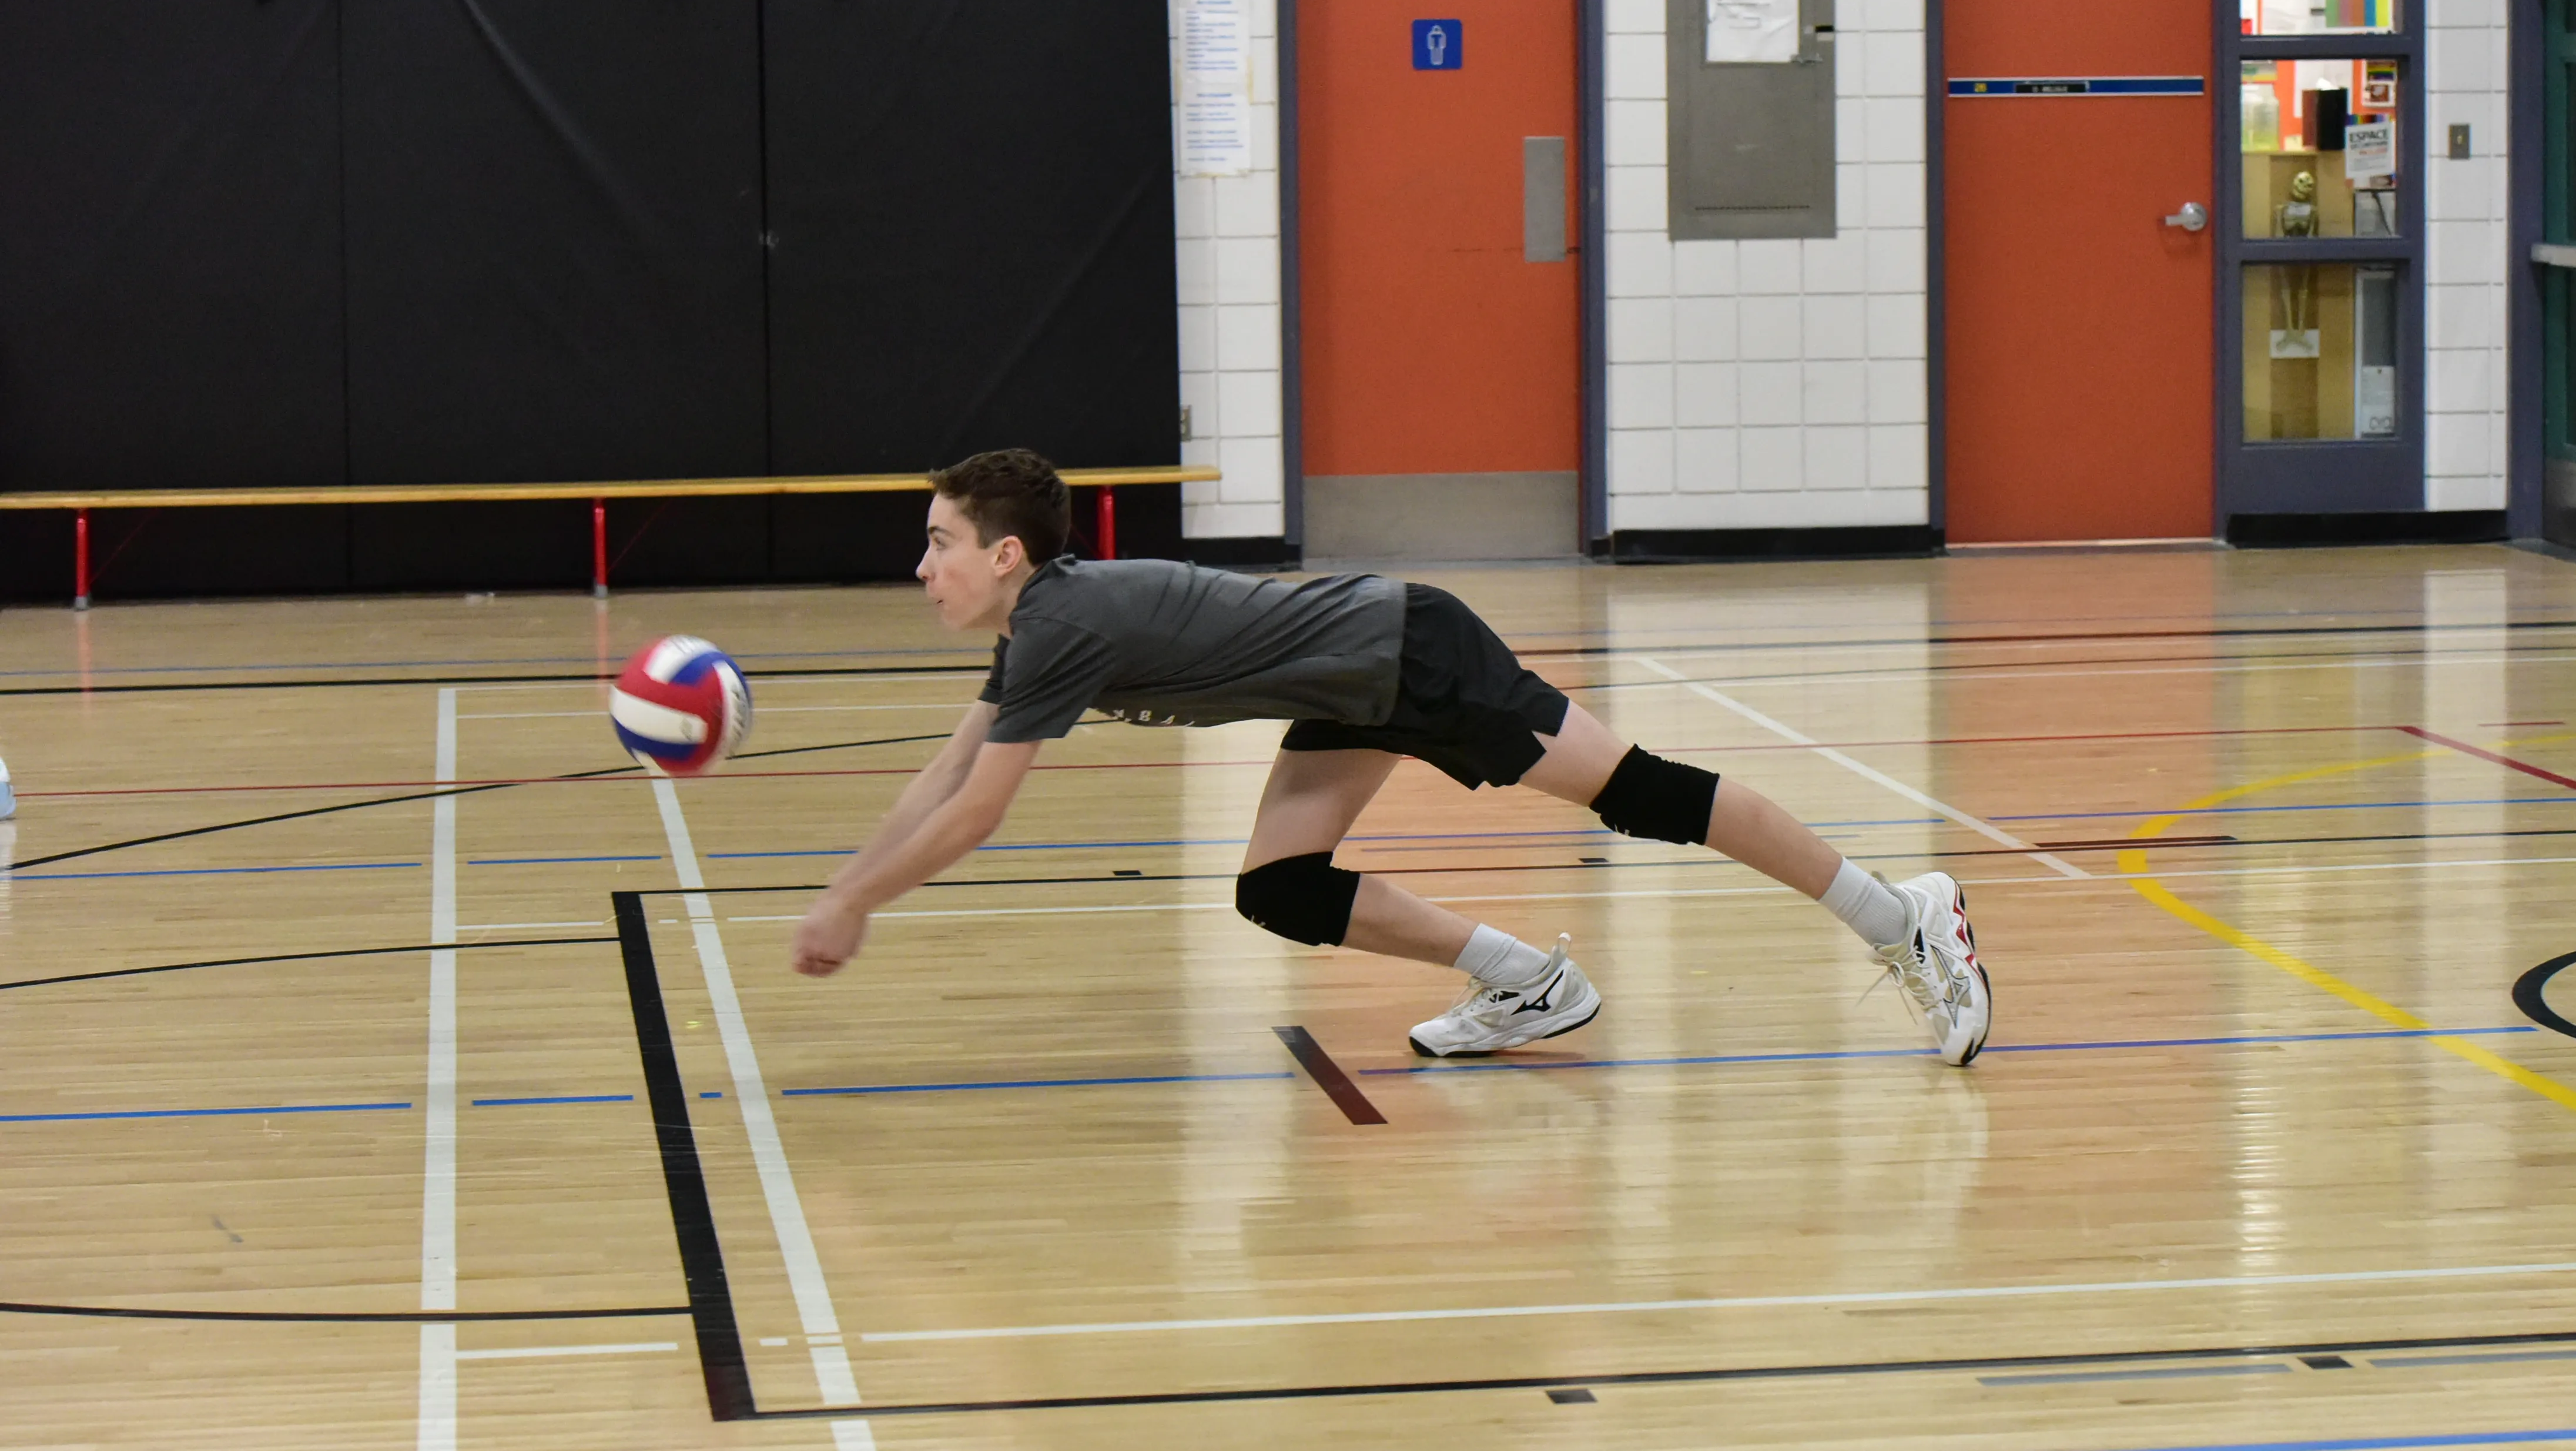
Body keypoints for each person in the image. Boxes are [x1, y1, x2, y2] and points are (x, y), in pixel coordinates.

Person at [789, 447, 1991, 1063]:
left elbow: (977, 813)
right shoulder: (1041, 626)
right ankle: (1531, 985)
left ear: (1006, 556)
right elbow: (945, 777)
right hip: (1349, 682)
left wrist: (854, 904)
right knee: (1279, 888)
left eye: (940, 542)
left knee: (1642, 795)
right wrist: (846, 884)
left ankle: (1903, 917)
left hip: (1409, 653)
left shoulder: (1060, 622)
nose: (923, 566)